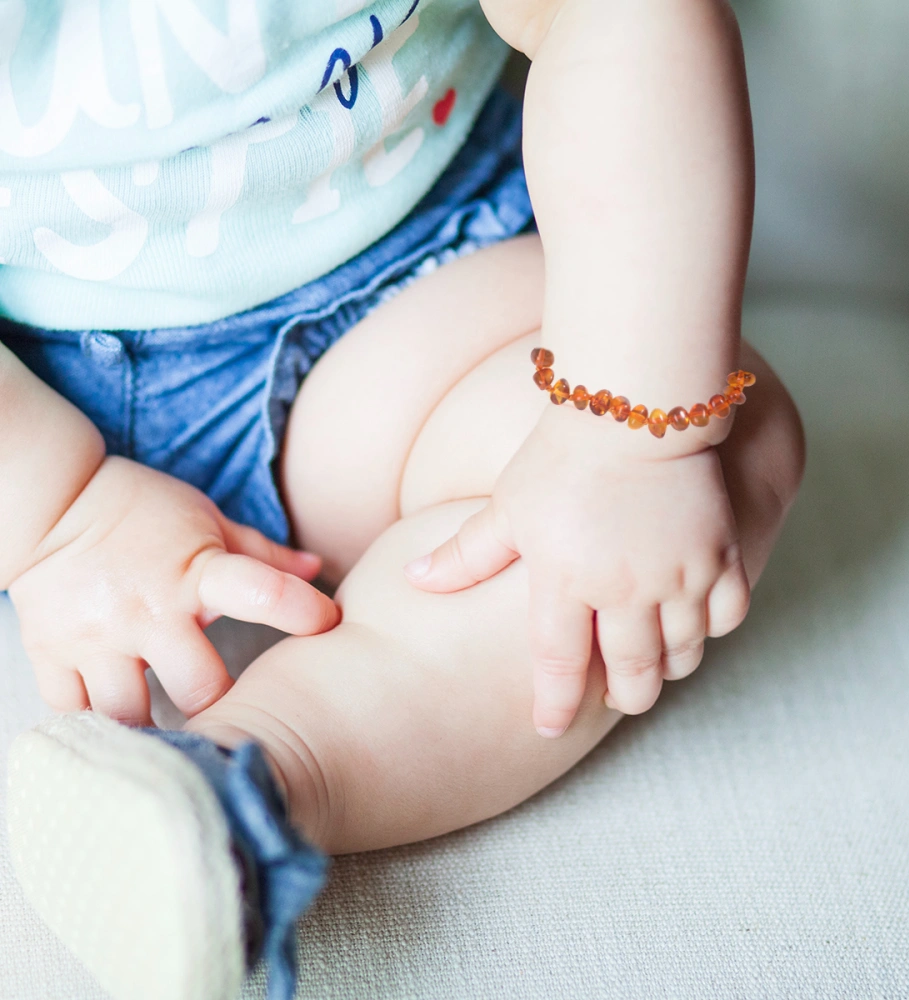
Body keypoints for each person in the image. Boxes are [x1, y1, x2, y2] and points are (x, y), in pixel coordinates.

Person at [0, 0, 806, 997]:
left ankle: (256, 776)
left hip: (417, 289)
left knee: (731, 438)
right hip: (38, 403)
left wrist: (629, 441)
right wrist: (48, 513)